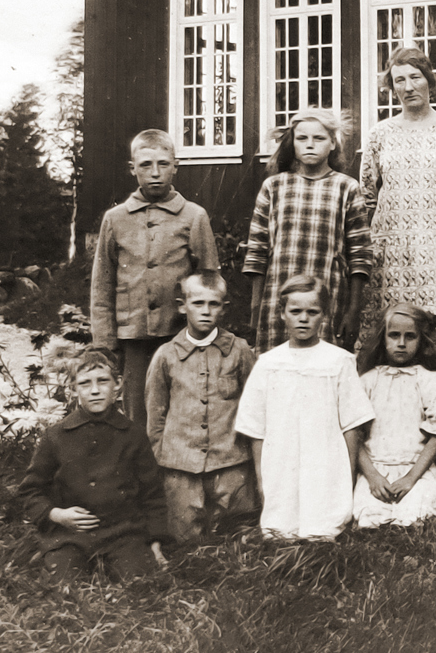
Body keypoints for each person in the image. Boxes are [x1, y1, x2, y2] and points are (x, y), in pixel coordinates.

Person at [90, 128, 219, 424]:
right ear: (132, 168)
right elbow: (102, 284)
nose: (155, 173)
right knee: (137, 414)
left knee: (181, 409)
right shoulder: (116, 219)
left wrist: (203, 332)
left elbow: (209, 279)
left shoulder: (194, 216)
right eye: (146, 165)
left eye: (163, 164)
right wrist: (105, 343)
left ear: (176, 166)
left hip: (180, 335)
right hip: (132, 337)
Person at [235, 276, 374, 539]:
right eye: (295, 311)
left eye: (312, 312)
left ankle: (323, 544)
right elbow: (255, 428)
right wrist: (261, 475)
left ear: (325, 315)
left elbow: (352, 424)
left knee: (325, 524)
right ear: (282, 314)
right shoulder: (268, 363)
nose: (303, 318)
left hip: (325, 457)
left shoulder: (339, 361)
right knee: (281, 527)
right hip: (281, 458)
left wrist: (349, 471)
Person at [17, 348, 167, 580]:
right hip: (71, 535)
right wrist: (57, 515)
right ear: (73, 389)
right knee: (65, 583)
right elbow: (30, 491)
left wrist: (155, 543)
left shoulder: (133, 434)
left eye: (103, 381)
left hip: (123, 534)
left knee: (141, 580)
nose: (95, 390)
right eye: (85, 383)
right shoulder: (55, 436)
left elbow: (152, 495)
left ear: (117, 385)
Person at [360, 47, 436, 338]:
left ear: (430, 81)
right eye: (399, 80)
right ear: (391, 87)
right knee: (390, 331)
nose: (408, 87)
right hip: (390, 254)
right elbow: (368, 196)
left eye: (415, 77)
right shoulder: (379, 134)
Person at [243, 109, 371, 352]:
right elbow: (257, 250)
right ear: (293, 143)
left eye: (319, 138)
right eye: (302, 139)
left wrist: (353, 311)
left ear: (333, 143)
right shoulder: (274, 186)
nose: (310, 145)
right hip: (277, 298)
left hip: (328, 297)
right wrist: (256, 305)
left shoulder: (346, 187)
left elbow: (360, 256)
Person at [144, 271, 257, 543]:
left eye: (213, 304)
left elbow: (254, 407)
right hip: (181, 465)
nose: (205, 311)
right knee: (185, 542)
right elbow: (155, 415)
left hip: (231, 462)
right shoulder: (166, 356)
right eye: (197, 303)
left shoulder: (239, 351)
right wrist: (164, 462)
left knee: (240, 535)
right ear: (182, 306)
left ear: (224, 308)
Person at [352, 304, 436, 527]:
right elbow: (354, 434)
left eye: (410, 336)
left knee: (414, 516)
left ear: (422, 340)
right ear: (383, 339)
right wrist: (372, 477)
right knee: (368, 518)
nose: (401, 343)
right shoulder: (368, 380)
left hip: (416, 469)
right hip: (375, 468)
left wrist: (411, 478)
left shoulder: (428, 380)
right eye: (394, 336)